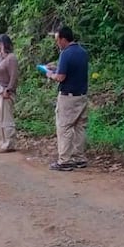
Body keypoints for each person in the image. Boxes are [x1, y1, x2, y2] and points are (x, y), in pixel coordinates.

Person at [43, 25, 89, 170]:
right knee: (80, 127)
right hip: (82, 95)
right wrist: (57, 68)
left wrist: (50, 74)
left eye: (57, 39)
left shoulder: (65, 53)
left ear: (63, 39)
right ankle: (79, 157)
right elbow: (73, 71)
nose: (57, 43)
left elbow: (61, 77)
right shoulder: (82, 52)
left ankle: (64, 160)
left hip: (68, 97)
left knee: (65, 127)